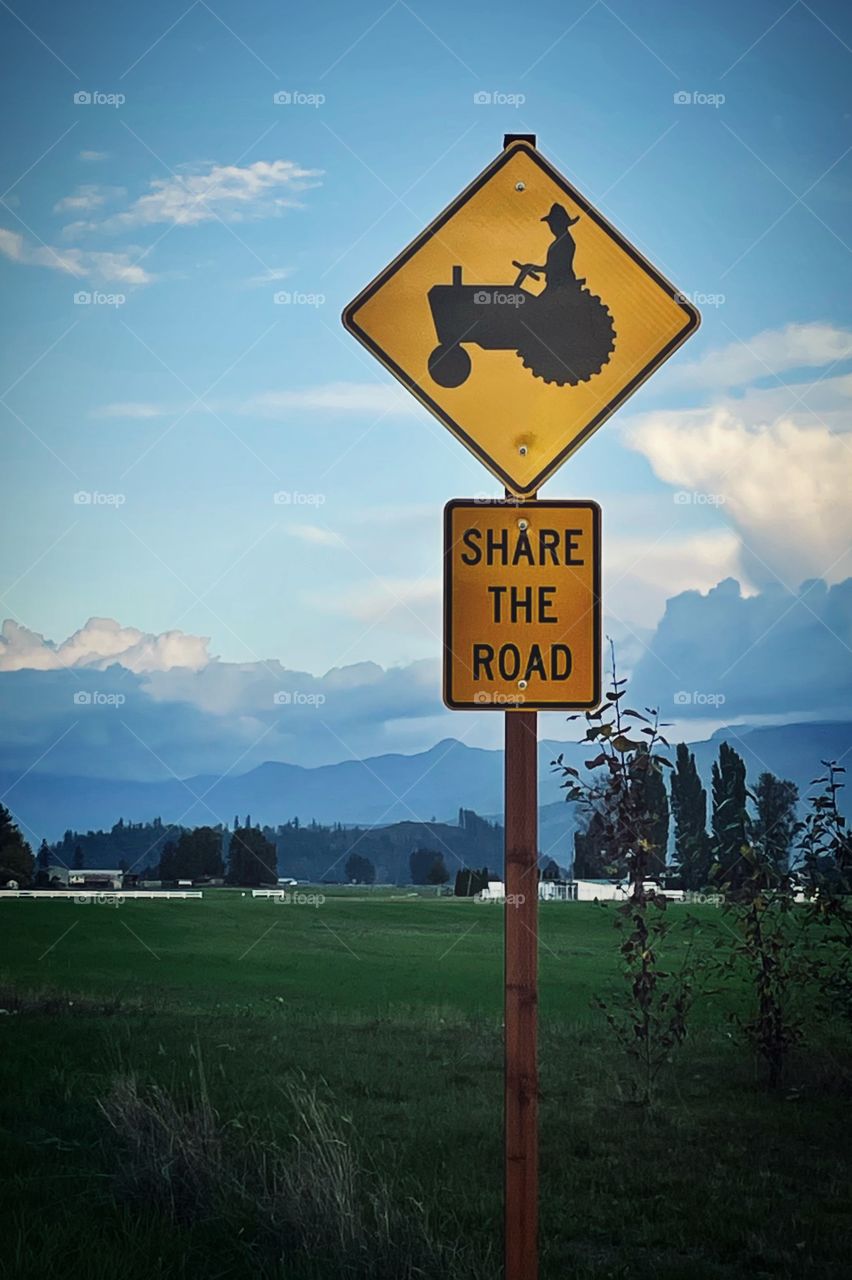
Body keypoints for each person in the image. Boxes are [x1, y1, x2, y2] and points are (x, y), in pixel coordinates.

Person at [518, 203, 581, 290]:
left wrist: (532, 268)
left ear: (559, 224)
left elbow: (555, 268)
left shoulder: (565, 243)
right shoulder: (561, 242)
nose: (551, 227)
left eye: (552, 224)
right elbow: (550, 267)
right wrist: (532, 267)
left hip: (561, 286)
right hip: (555, 284)